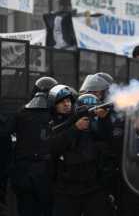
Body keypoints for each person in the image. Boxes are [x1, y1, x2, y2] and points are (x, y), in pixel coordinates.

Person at [43, 86, 114, 216]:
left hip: (93, 185)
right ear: (53, 105)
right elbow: (53, 146)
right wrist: (75, 128)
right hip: (66, 188)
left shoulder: (83, 117)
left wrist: (104, 119)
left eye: (68, 101)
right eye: (62, 101)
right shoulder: (51, 126)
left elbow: (104, 136)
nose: (66, 104)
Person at [0, 77, 58, 216]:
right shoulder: (55, 115)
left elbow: (4, 133)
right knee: (51, 209)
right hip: (47, 169)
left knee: (27, 210)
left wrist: (11, 157)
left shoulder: (21, 112)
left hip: (23, 169)